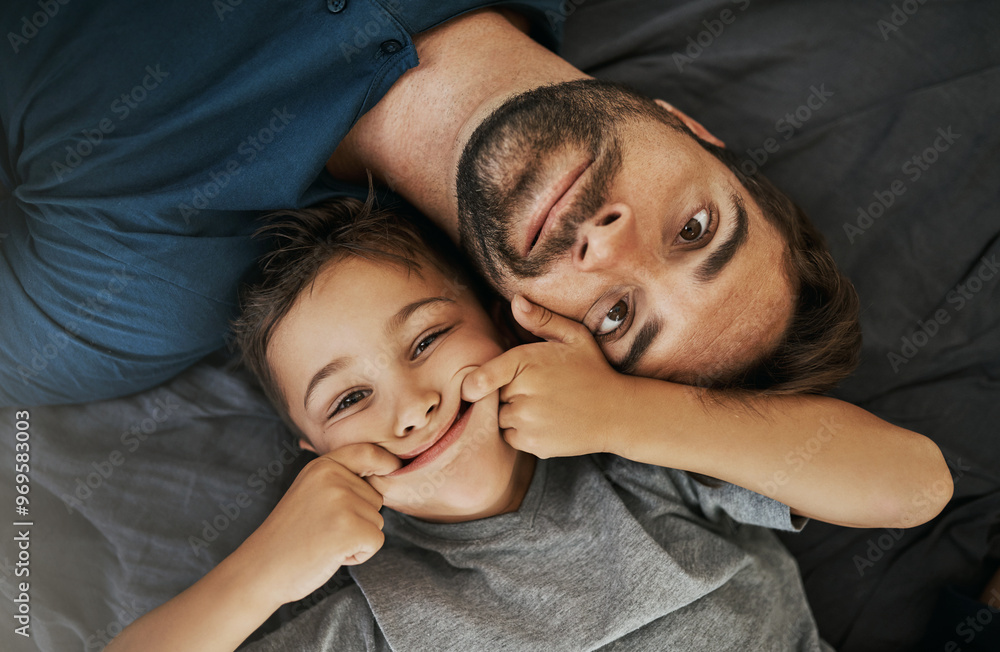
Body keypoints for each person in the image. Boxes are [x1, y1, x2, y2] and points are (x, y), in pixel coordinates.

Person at [107, 196, 950, 651]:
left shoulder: (635, 457)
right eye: (348, 400)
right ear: (313, 453)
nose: (413, 405)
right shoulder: (362, 618)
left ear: (505, 324)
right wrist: (259, 573)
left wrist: (629, 411)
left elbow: (915, 486)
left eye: (429, 339)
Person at [0, 3, 853, 409]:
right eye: (695, 230)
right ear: (687, 127)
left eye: (618, 316)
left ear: (528, 324)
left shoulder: (131, 289)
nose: (608, 247)